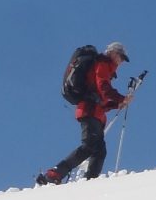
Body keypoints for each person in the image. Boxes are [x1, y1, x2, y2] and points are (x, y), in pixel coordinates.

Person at [37, 42, 133, 185]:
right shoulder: (103, 64)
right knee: (89, 147)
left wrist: (117, 104)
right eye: (120, 57)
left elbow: (100, 96)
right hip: (89, 111)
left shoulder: (105, 67)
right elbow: (104, 88)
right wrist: (121, 98)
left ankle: (90, 182)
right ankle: (54, 174)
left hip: (95, 113)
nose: (121, 61)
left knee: (99, 151)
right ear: (113, 53)